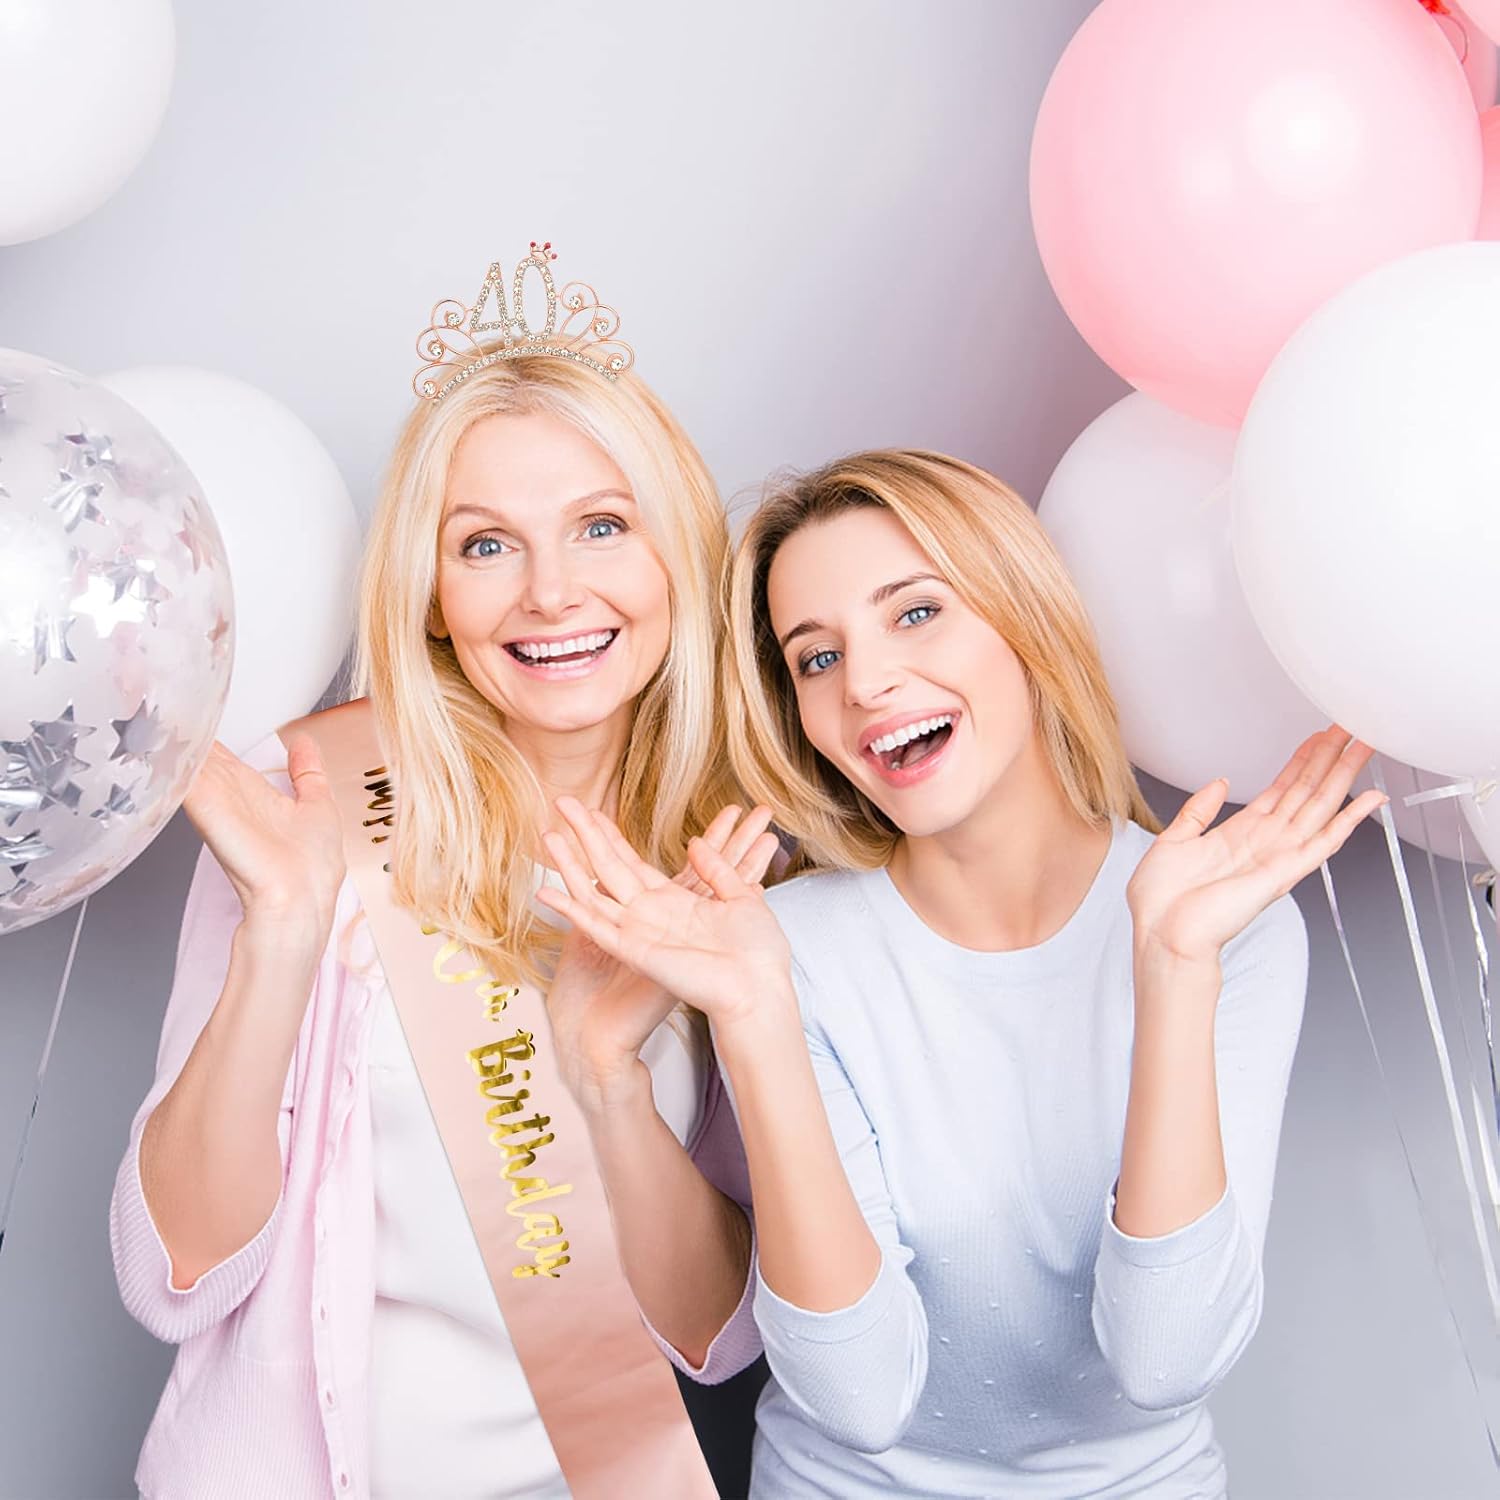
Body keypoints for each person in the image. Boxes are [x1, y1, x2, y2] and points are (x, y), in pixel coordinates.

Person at [537, 449, 1386, 1499]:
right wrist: (755, 1015)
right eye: (816, 657)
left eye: (917, 612)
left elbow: (1166, 1363)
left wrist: (1173, 969)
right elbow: (857, 1400)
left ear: (1025, 620)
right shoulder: (777, 947)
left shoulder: (1227, 926)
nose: (865, 683)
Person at [108, 249, 770, 1499]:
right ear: (428, 595)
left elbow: (714, 1335)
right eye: (486, 545)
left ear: (677, 556)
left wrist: (608, 1081)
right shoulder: (311, 804)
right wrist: (285, 930)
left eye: (603, 526)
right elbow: (174, 1274)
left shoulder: (728, 859)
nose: (552, 592)